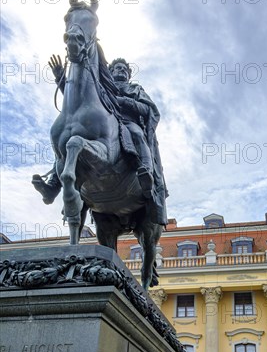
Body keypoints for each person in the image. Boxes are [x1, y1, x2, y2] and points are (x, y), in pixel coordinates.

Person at [32, 55, 167, 225]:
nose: (122, 71)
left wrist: (123, 101)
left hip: (126, 122)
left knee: (137, 133)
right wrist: (60, 77)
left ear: (129, 75)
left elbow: (148, 110)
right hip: (101, 125)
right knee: (69, 140)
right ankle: (52, 186)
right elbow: (79, 98)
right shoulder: (101, 86)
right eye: (118, 68)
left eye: (125, 69)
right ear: (110, 71)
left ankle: (145, 173)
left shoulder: (134, 88)